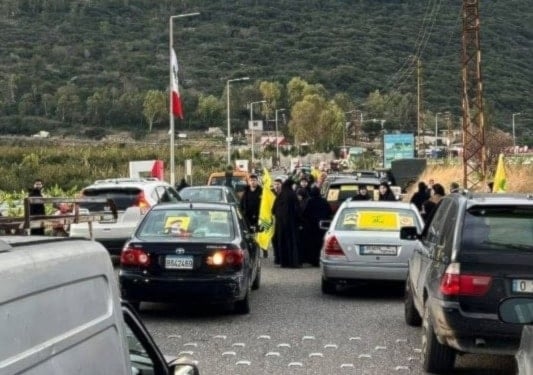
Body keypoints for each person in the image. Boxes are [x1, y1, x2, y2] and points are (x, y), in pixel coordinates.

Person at [272, 178, 302, 268]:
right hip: (292, 224)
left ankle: (283, 262)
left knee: (282, 242)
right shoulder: (293, 195)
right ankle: (293, 262)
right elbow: (297, 209)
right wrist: (299, 220)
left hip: (281, 224)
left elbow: (273, 210)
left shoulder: (281, 195)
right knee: (292, 242)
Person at [301, 187, 332, 266]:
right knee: (321, 243)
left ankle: (313, 260)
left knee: (312, 244)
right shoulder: (324, 201)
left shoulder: (310, 201)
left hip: (312, 227)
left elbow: (305, 213)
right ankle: (320, 259)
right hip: (322, 227)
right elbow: (329, 211)